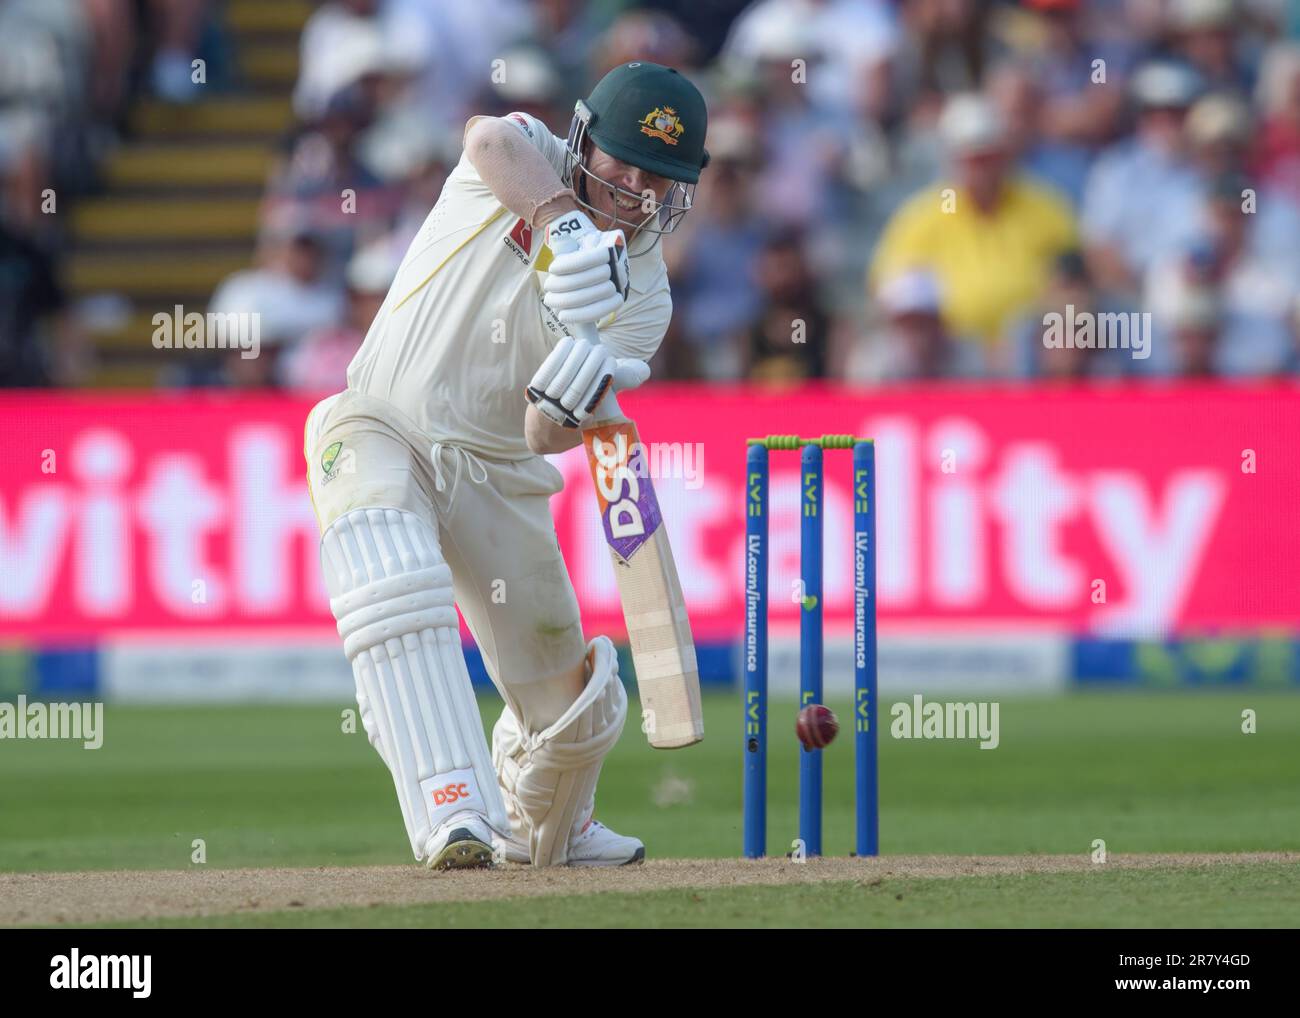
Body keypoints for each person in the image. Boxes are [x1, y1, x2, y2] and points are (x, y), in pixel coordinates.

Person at [302, 62, 708, 869]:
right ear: (585, 137)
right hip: (383, 420)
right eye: (622, 159)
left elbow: (539, 432)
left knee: (575, 712)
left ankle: (546, 825)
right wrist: (564, 228)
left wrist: (573, 401)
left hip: (502, 474)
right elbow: (487, 137)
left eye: (656, 175)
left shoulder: (649, 297)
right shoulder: (527, 154)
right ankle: (454, 807)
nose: (632, 186)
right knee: (391, 571)